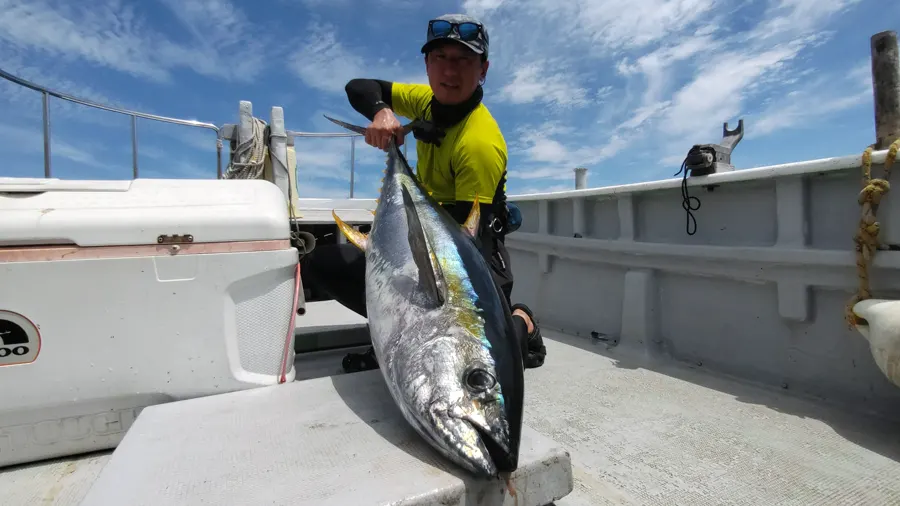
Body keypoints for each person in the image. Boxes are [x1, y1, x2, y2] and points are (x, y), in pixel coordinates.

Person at [300, 13, 546, 373]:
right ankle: (395, 332)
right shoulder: (425, 101)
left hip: (470, 250)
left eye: (464, 60)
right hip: (421, 236)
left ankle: (522, 318)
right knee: (321, 264)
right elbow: (359, 87)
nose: (450, 71)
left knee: (489, 357)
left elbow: (462, 252)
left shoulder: (479, 142)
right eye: (440, 58)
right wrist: (381, 111)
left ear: (483, 70)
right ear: (427, 65)